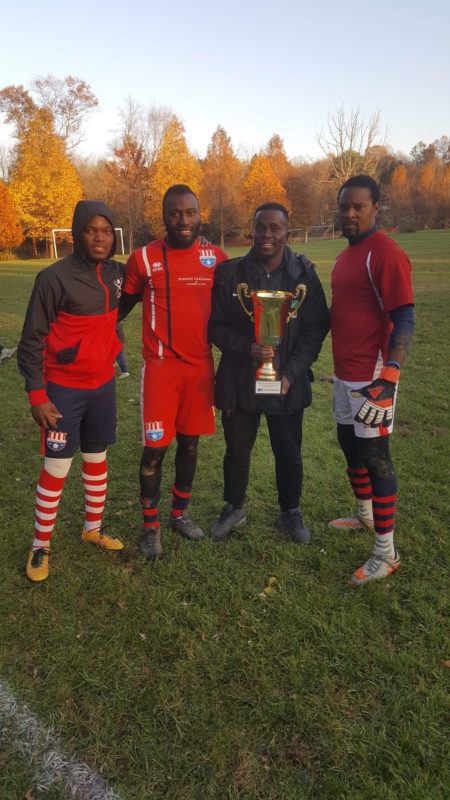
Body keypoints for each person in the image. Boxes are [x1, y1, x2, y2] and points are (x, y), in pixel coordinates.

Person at [208, 203, 329, 543]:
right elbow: (215, 326)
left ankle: (290, 511)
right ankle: (234, 507)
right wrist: (247, 347)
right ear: (253, 229)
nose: (267, 234)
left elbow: (316, 329)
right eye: (261, 227)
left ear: (286, 232)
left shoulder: (303, 274)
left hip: (286, 382)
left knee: (289, 453)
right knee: (236, 451)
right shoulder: (229, 274)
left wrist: (290, 373)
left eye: (275, 228)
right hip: (240, 381)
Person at [18, 201, 125, 582]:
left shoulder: (117, 274)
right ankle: (39, 546)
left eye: (106, 231)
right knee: (58, 466)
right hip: (63, 389)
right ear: (78, 233)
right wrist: (37, 395)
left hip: (103, 386)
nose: (99, 238)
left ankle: (92, 529)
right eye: (91, 230)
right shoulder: (53, 278)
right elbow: (31, 341)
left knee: (96, 457)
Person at [119, 184, 227, 560]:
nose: (183, 220)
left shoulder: (216, 257)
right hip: (161, 370)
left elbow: (247, 286)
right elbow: (120, 306)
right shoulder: (143, 259)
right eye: (175, 213)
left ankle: (179, 514)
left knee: (190, 445)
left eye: (190, 212)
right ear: (163, 217)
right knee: (155, 450)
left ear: (200, 215)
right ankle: (150, 528)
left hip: (200, 369)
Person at [329, 175, 414, 585]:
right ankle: (364, 514)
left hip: (373, 377)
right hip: (344, 373)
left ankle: (386, 552)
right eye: (344, 206)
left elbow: (405, 317)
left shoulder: (385, 252)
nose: (349, 213)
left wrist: (390, 376)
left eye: (358, 206)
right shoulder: (344, 256)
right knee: (349, 443)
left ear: (375, 208)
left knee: (377, 457)